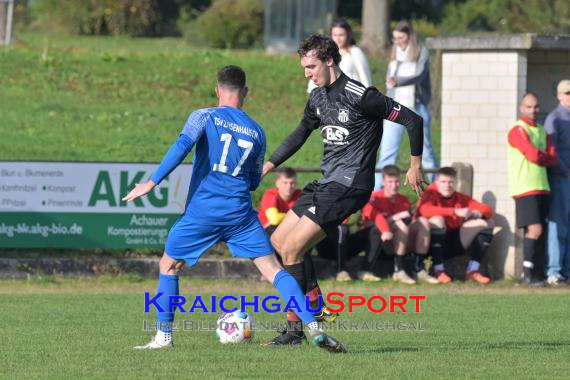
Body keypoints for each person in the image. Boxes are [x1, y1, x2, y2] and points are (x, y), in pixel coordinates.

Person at [123, 65, 346, 353]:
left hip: (204, 210)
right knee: (274, 270)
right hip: (240, 213)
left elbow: (182, 146)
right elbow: (254, 181)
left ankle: (163, 338)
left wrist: (151, 183)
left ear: (217, 90)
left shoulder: (203, 116)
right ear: (246, 93)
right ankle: (313, 326)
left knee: (168, 265)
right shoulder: (257, 132)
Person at [261, 34, 425, 346]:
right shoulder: (318, 97)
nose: (307, 73)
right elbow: (300, 133)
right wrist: (269, 165)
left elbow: (412, 120)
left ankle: (301, 328)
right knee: (280, 242)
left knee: (294, 248)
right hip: (326, 183)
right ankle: (312, 309)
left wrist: (414, 164)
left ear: (330, 60)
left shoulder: (362, 95)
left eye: (311, 66)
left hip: (351, 185)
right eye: (304, 67)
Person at [375, 20, 438, 188]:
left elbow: (419, 75)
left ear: (410, 36)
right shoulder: (395, 57)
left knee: (426, 153)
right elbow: (389, 87)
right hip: (395, 109)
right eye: (395, 39)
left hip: (417, 107)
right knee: (387, 154)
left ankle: (437, 190)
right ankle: (375, 194)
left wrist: (398, 81)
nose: (398, 42)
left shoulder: (421, 52)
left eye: (401, 38)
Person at [508, 93, 557, 285]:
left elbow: (552, 157)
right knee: (534, 230)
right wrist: (544, 156)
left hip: (542, 186)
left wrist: (544, 156)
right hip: (525, 186)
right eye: (529, 107)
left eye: (536, 107)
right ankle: (526, 274)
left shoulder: (542, 131)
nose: (533, 110)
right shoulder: (518, 129)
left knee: (541, 230)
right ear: (521, 108)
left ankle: (536, 273)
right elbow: (533, 155)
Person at [361, 165, 438, 284]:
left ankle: (419, 269)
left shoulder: (403, 200)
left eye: (396, 181)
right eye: (390, 181)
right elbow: (370, 224)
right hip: (379, 243)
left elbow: (411, 221)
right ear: (383, 182)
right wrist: (394, 218)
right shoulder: (374, 198)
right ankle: (399, 270)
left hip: (402, 242)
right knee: (400, 224)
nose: (394, 185)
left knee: (423, 222)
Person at [417, 167, 495, 284]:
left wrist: (478, 213)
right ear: (437, 182)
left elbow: (487, 209)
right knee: (438, 220)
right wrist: (454, 211)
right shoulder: (429, 193)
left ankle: (472, 270)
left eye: (451, 182)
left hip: (453, 241)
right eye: (443, 182)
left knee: (487, 222)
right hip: (430, 244)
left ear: (455, 183)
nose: (447, 185)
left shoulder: (459, 197)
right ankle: (438, 270)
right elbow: (425, 210)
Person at [545, 80, 570, 285]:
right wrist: (565, 170)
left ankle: (566, 269)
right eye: (567, 93)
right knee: (558, 224)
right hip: (562, 178)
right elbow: (551, 152)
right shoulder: (554, 119)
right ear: (559, 96)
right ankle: (554, 270)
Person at [307, 18, 371, 93]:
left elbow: (365, 79)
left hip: (352, 99)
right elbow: (318, 75)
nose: (338, 39)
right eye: (335, 35)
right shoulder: (326, 53)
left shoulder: (355, 52)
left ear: (348, 35)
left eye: (341, 35)